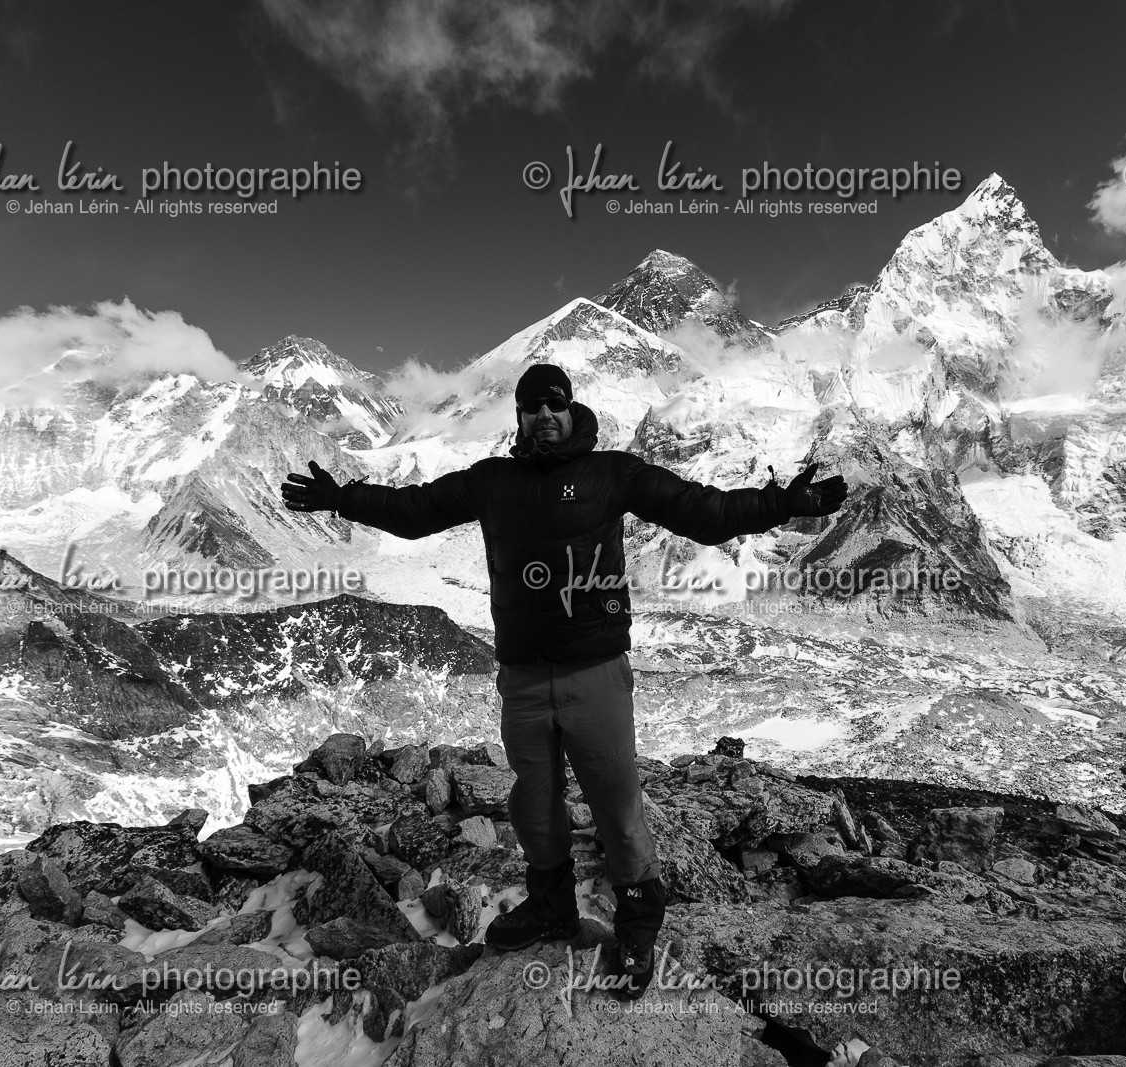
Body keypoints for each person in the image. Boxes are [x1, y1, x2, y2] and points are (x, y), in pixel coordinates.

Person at [281, 363, 847, 998]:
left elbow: (703, 513)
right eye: (533, 407)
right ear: (520, 417)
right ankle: (552, 907)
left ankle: (638, 927)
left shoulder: (612, 473)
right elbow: (414, 511)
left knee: (617, 805)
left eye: (555, 404)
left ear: (572, 410)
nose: (545, 415)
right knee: (534, 803)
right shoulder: (491, 482)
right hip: (524, 677)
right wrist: (342, 498)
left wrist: (782, 504)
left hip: (594, 672)